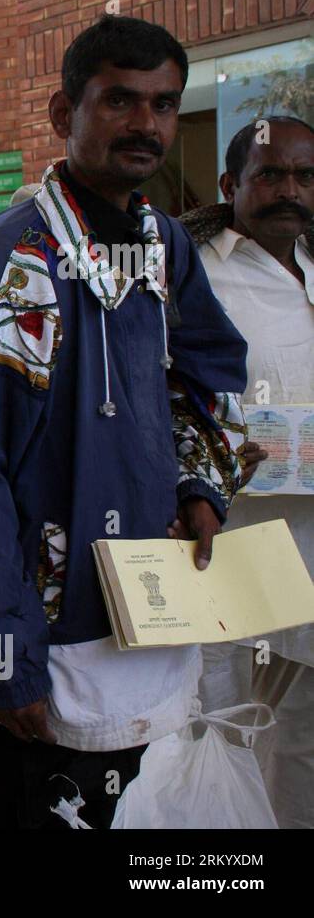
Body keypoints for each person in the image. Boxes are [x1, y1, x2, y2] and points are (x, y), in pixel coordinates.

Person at [0, 16, 249, 829]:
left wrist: (195, 478)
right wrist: (5, 654)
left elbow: (209, 375)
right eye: (119, 100)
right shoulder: (16, 258)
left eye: (162, 104)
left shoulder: (165, 249)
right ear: (63, 113)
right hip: (22, 632)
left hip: (136, 613)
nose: (145, 123)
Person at [182, 115, 314, 829]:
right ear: (232, 185)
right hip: (229, 549)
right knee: (221, 729)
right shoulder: (196, 272)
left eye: (304, 176)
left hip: (311, 547)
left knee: (302, 738)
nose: (288, 190)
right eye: (270, 174)